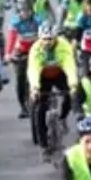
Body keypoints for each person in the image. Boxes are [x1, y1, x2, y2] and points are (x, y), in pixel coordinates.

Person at [28, 24, 76, 156]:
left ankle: (62, 117)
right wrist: (34, 88)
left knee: (71, 96)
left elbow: (69, 65)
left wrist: (73, 85)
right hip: (43, 76)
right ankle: (43, 144)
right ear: (39, 38)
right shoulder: (35, 49)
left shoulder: (64, 46)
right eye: (44, 39)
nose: (47, 42)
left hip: (59, 73)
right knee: (39, 107)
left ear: (56, 38)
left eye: (50, 39)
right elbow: (33, 69)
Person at [4, 0, 42, 117]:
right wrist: (8, 54)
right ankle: (23, 107)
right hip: (21, 52)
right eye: (22, 11)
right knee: (20, 80)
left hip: (36, 51)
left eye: (27, 10)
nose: (25, 13)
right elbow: (11, 39)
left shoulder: (39, 20)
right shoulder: (15, 22)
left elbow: (44, 35)